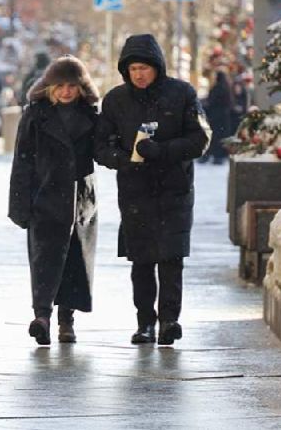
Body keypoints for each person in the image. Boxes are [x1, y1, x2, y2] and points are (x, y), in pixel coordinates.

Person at [94, 34, 211, 346]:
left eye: (144, 67)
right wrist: (122, 159)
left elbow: (200, 140)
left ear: (157, 67)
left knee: (172, 259)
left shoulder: (182, 94)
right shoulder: (116, 100)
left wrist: (162, 151)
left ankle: (169, 321)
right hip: (135, 191)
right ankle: (145, 322)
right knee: (142, 260)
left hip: (175, 189)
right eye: (133, 69)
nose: (139, 74)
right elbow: (100, 145)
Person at [8, 55, 99, 345]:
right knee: (44, 259)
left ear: (81, 87)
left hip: (79, 198)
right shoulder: (35, 114)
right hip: (44, 197)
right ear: (49, 87)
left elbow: (105, 150)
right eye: (60, 85)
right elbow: (21, 161)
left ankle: (66, 321)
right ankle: (42, 317)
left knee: (74, 262)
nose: (66, 91)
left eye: (72, 85)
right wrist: (19, 205)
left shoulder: (91, 116)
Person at [200, 70, 233, 164]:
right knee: (220, 137)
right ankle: (219, 156)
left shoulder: (217, 88)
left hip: (215, 117)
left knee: (213, 137)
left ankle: (212, 156)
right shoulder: (227, 87)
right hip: (224, 118)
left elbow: (211, 101)